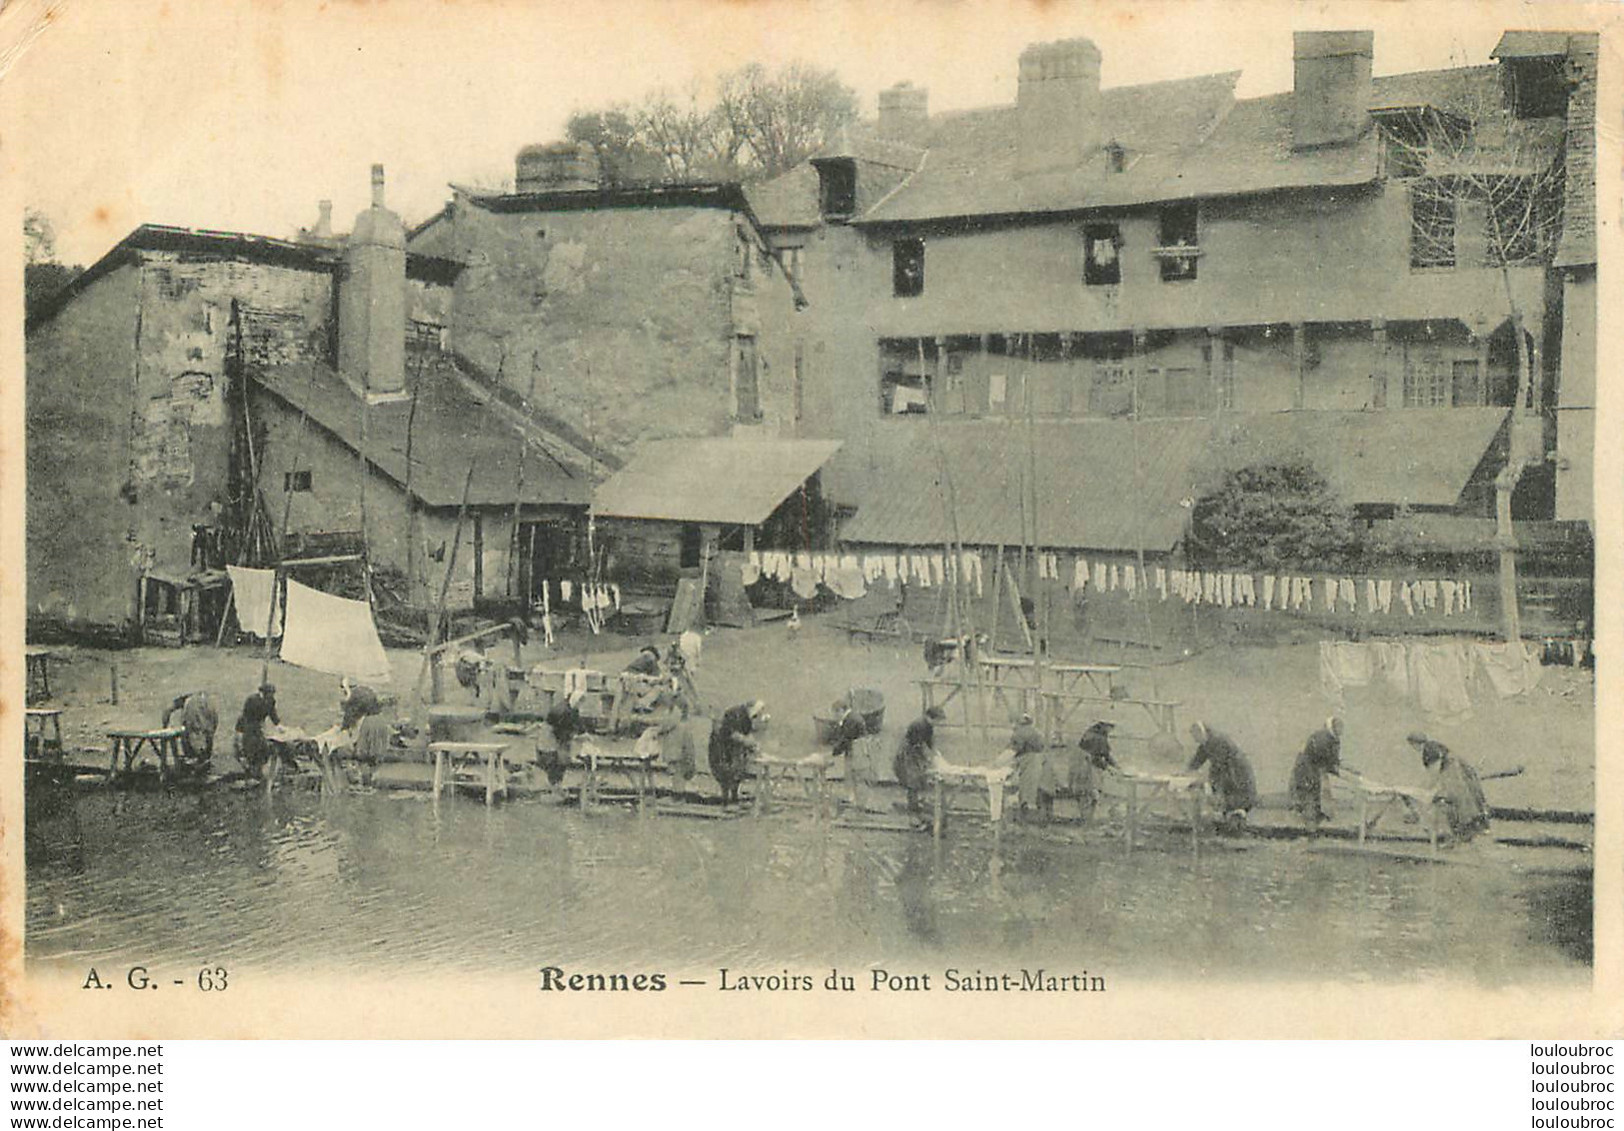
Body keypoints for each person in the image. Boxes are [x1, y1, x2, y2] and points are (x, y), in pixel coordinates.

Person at [1407, 732, 1490, 842]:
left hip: (1454, 772)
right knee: (1468, 798)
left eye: (1413, 745)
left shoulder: (1429, 750)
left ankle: (1464, 830)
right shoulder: (1433, 745)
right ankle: (1476, 827)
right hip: (1458, 770)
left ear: (1415, 743)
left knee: (1458, 799)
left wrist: (1426, 789)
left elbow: (1435, 771)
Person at [1187, 722, 1258, 831]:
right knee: (1226, 798)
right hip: (1229, 772)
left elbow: (1218, 765)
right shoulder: (1207, 742)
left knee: (1236, 798)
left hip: (1236, 772)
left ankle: (1236, 823)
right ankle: (1231, 821)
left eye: (1196, 737)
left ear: (1201, 733)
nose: (1195, 740)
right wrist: (1188, 770)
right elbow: (1199, 758)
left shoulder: (1218, 741)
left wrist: (1211, 781)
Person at [637, 690, 697, 799]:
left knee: (678, 774)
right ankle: (677, 795)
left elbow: (667, 724)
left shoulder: (676, 716)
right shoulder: (681, 720)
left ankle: (677, 797)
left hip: (677, 749)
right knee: (677, 774)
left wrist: (657, 729)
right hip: (676, 747)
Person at [709, 700, 767, 808]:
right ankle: (725, 799)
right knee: (725, 772)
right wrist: (747, 742)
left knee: (737, 772)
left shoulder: (747, 717)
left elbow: (748, 733)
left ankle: (734, 797)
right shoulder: (736, 714)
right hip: (722, 746)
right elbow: (731, 733)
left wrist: (752, 743)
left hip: (734, 747)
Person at [894, 707, 946, 823]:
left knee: (920, 778)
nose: (937, 723)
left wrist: (937, 754)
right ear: (929, 717)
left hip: (915, 751)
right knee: (913, 780)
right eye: (937, 720)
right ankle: (913, 810)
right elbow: (918, 745)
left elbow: (929, 742)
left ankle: (918, 804)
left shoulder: (929, 726)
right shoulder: (918, 725)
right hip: (908, 752)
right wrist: (927, 758)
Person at [1290, 716, 1344, 823]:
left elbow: (1332, 759)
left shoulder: (1333, 739)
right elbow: (1323, 756)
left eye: (1341, 727)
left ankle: (1315, 817)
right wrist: (1334, 768)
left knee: (1316, 792)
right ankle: (1309, 822)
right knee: (1309, 793)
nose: (1341, 730)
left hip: (1314, 768)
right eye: (1338, 727)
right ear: (1332, 727)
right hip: (1306, 768)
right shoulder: (1323, 737)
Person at [1067, 720, 1119, 823]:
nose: (1110, 730)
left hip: (1086, 765)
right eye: (1110, 727)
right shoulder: (1096, 737)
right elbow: (1096, 759)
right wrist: (1109, 768)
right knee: (1089, 793)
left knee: (1088, 793)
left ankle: (1086, 818)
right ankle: (1086, 819)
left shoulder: (1096, 733)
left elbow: (1106, 755)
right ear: (1104, 725)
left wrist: (1116, 765)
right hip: (1085, 766)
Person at [162, 691, 218, 778]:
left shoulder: (189, 703)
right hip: (207, 702)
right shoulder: (204, 699)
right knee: (206, 735)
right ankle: (203, 765)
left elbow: (168, 709)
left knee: (193, 738)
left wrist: (165, 725)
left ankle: (196, 768)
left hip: (194, 705)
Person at [538, 690, 586, 790]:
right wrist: (574, 737)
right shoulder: (562, 711)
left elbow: (577, 721)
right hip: (551, 736)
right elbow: (559, 732)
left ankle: (557, 783)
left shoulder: (572, 708)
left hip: (559, 735)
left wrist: (583, 733)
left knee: (563, 758)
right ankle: (554, 784)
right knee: (555, 759)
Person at [1010, 713, 1055, 822]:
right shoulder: (1037, 733)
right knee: (1042, 789)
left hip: (1029, 763)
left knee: (1026, 789)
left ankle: (1026, 816)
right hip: (1042, 762)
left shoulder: (1019, 733)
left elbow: (1015, 749)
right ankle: (1044, 817)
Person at [233, 683, 280, 778]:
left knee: (262, 748)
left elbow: (272, 714)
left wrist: (278, 725)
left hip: (258, 725)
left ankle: (258, 769)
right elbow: (245, 716)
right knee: (249, 747)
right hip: (248, 724)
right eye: (269, 694)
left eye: (272, 694)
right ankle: (250, 769)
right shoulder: (252, 700)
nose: (271, 696)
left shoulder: (271, 701)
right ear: (263, 693)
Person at [828, 703, 870, 804]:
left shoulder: (851, 720)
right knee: (852, 774)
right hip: (856, 748)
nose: (835, 716)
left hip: (857, 749)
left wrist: (833, 753)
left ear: (841, 710)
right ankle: (854, 798)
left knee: (854, 774)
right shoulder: (852, 717)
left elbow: (846, 739)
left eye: (836, 713)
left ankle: (856, 800)